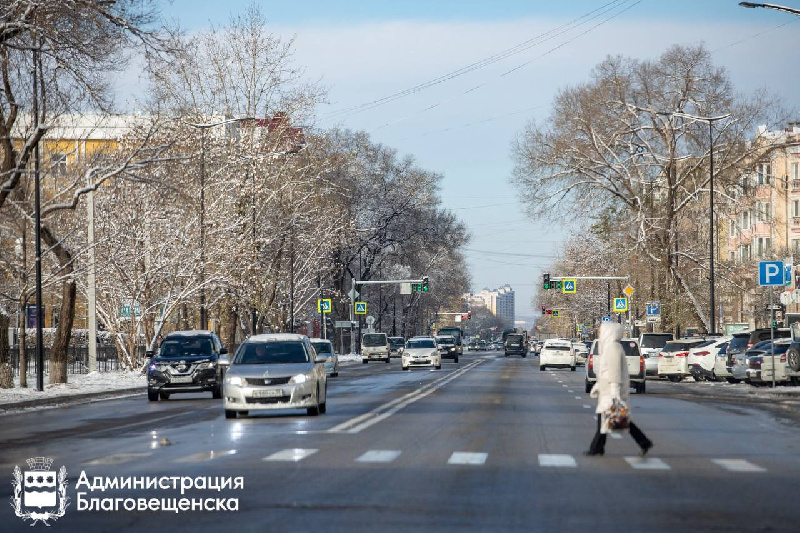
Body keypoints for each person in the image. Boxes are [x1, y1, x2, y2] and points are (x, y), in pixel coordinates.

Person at [585, 322, 653, 456]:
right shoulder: (610, 347)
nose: (600, 333)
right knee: (618, 419)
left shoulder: (612, 348)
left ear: (608, 332)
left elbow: (614, 370)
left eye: (601, 331)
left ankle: (596, 448)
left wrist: (614, 390)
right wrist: (598, 386)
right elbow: (606, 371)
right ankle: (643, 442)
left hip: (612, 391)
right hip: (607, 389)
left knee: (609, 418)